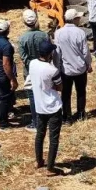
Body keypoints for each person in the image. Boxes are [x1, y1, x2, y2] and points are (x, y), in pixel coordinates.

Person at [29, 40, 63, 176]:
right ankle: (50, 166)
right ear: (49, 54)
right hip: (53, 107)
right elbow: (60, 87)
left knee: (40, 134)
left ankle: (39, 161)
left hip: (40, 106)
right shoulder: (52, 70)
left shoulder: (32, 64)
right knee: (53, 138)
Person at [54, 9, 92, 124]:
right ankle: (81, 114)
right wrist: (88, 64)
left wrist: (57, 68)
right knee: (81, 92)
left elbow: (57, 53)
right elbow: (85, 52)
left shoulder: (59, 33)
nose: (79, 19)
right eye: (78, 18)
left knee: (65, 94)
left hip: (66, 70)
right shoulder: (80, 33)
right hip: (80, 68)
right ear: (74, 19)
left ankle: (67, 117)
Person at [19, 9, 49, 132]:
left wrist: (31, 64)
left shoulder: (22, 38)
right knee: (45, 94)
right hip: (44, 68)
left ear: (24, 22)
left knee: (32, 97)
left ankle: (36, 123)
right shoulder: (44, 35)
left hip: (30, 71)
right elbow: (49, 52)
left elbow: (23, 56)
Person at [0, 19, 17, 131]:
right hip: (3, 74)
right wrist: (12, 79)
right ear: (7, 30)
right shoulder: (7, 45)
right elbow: (6, 64)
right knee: (5, 98)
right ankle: (3, 123)